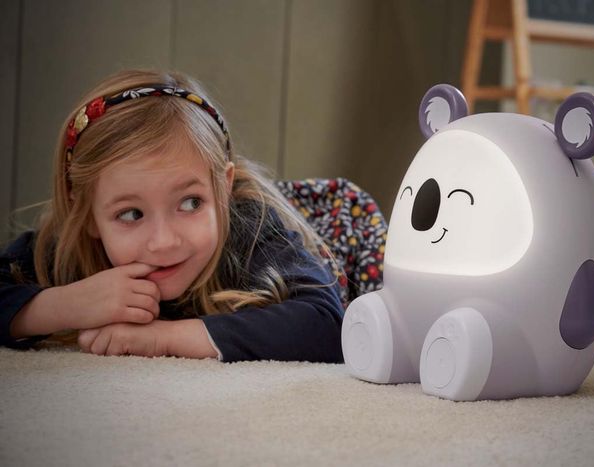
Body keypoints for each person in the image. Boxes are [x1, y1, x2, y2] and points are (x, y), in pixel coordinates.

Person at [0, 69, 345, 363]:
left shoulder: (250, 227)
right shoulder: (69, 246)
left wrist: (163, 338)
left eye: (190, 203)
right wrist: (65, 305)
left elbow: (328, 324)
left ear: (222, 189)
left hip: (336, 231)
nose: (164, 241)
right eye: (131, 213)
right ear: (87, 214)